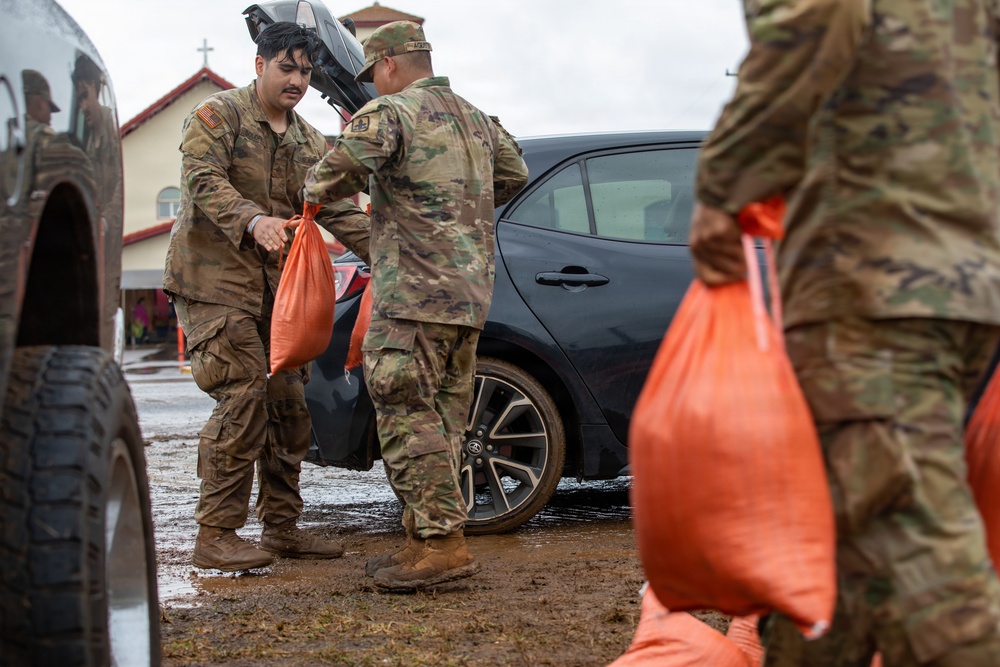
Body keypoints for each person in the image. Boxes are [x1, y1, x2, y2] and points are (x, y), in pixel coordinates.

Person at [689, 1, 1000, 664]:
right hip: (963, 265)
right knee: (844, 538)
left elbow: (807, 21)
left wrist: (723, 187)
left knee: (920, 544)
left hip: (875, 269)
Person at [303, 20, 528, 591]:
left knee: (404, 415)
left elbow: (335, 171)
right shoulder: (479, 119)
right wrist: (456, 199)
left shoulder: (393, 113)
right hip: (468, 298)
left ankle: (441, 545)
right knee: (445, 421)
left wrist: (310, 190)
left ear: (387, 66)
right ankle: (422, 539)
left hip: (411, 298)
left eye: (373, 77)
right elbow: (515, 174)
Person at [163, 22, 372, 572]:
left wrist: (391, 252)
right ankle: (216, 533)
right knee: (244, 392)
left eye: (305, 71)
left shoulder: (308, 141)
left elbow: (333, 207)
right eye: (287, 67)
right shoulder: (217, 117)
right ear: (260, 65)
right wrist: (252, 219)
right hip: (212, 284)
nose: (297, 80)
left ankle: (281, 528)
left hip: (276, 295)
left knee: (288, 405)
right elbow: (201, 180)